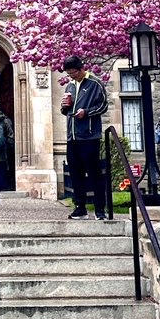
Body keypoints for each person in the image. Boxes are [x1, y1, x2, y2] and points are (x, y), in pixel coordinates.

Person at [61, 56, 109, 220]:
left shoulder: (95, 83)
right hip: (72, 137)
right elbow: (66, 111)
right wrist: (65, 107)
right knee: (75, 174)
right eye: (68, 73)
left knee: (94, 174)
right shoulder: (70, 86)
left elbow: (103, 105)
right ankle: (80, 208)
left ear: (81, 68)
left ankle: (100, 210)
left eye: (73, 72)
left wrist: (86, 112)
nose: (71, 76)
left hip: (89, 137)